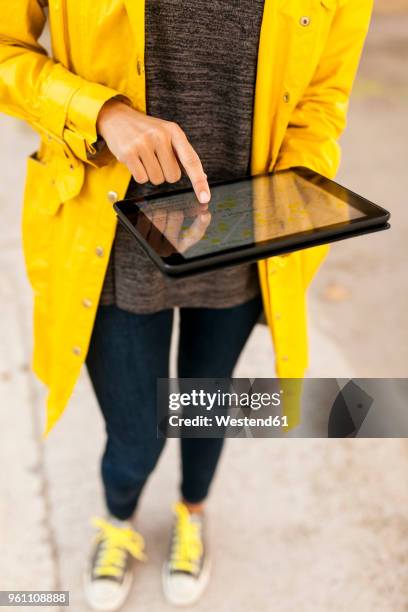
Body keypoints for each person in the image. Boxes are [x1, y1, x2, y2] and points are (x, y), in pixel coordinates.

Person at [0, 0, 373, 609]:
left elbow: (321, 101)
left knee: (206, 402)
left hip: (243, 230)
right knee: (135, 432)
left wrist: (294, 193)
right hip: (112, 237)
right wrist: (101, 113)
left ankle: (192, 513)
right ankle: (118, 519)